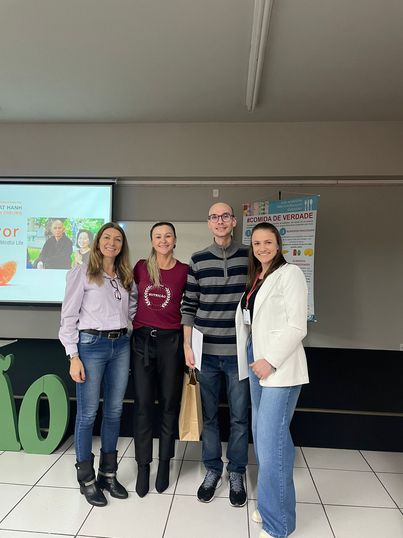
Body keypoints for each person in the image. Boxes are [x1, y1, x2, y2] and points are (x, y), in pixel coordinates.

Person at [235, 222, 309, 538]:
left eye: (268, 242)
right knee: (267, 438)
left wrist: (271, 360)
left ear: (278, 245)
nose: (262, 248)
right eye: (257, 243)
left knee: (270, 443)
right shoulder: (258, 277)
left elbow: (297, 325)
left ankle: (279, 525)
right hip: (258, 360)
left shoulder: (290, 274)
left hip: (279, 366)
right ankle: (270, 506)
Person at [59, 222, 138, 507]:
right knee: (88, 413)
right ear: (98, 242)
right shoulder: (82, 273)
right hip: (90, 346)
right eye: (107, 237)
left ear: (122, 245)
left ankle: (108, 474)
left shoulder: (125, 276)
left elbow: (132, 309)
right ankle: (87, 480)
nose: (112, 243)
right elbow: (68, 317)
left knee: (114, 411)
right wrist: (73, 356)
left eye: (117, 239)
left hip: (121, 346)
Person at [181, 202, 249, 507]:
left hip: (238, 354)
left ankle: (236, 472)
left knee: (239, 418)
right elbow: (189, 306)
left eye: (225, 216)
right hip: (205, 354)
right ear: (208, 223)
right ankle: (212, 470)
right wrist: (187, 346)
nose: (219, 221)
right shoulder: (198, 259)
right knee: (208, 417)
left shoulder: (250, 256)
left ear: (233, 221)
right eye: (214, 217)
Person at [131, 222, 188, 497]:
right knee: (143, 405)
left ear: (175, 240)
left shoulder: (184, 271)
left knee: (168, 405)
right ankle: (143, 466)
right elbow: (128, 299)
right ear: (152, 241)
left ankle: (165, 463)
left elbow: (190, 308)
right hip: (142, 341)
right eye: (158, 236)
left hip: (171, 343)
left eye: (167, 236)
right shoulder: (141, 267)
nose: (163, 240)